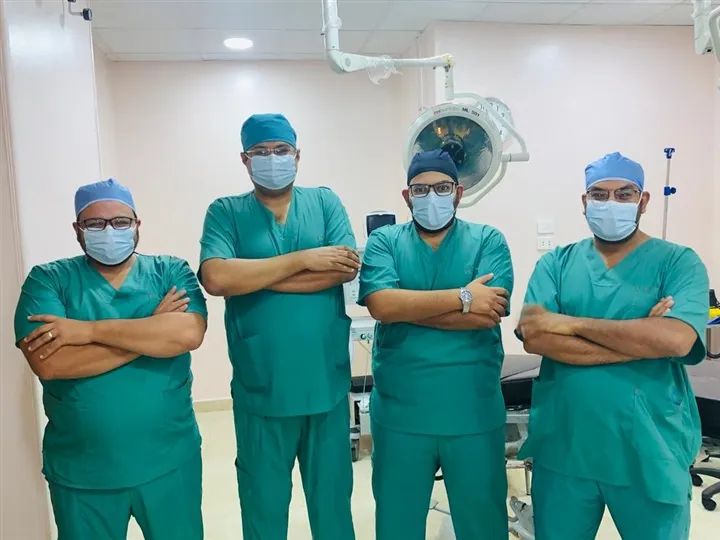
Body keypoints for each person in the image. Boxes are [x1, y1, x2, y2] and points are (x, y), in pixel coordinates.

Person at [516, 152, 710, 540]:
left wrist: (569, 323)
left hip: (649, 448)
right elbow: (536, 335)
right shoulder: (556, 264)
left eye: (624, 194)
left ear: (644, 200)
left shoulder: (678, 262)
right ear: (584, 201)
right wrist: (644, 337)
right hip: (566, 447)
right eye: (599, 195)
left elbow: (676, 339)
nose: (611, 203)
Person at [13, 179, 208, 540]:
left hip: (168, 460)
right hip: (82, 472)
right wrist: (150, 329)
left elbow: (188, 334)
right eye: (95, 223)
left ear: (137, 225)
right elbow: (50, 364)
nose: (109, 231)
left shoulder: (170, 271)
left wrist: (87, 331)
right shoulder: (47, 281)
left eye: (120, 222)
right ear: (77, 229)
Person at [198, 113, 358, 540]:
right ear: (245, 160)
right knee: (263, 506)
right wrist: (304, 259)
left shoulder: (324, 203)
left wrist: (252, 275)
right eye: (261, 152)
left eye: (281, 150)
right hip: (262, 388)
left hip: (324, 384)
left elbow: (344, 267)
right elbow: (216, 277)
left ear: (297, 155)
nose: (273, 158)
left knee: (333, 505)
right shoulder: (226, 212)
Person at [358, 150, 514, 540]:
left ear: (458, 192)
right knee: (398, 524)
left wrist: (405, 306)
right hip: (402, 415)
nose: (431, 197)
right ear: (407, 196)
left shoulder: (488, 240)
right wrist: (463, 297)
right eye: (421, 189)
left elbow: (487, 314)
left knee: (482, 524)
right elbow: (380, 305)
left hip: (472, 412)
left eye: (442, 188)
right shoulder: (384, 241)